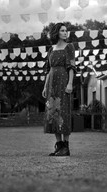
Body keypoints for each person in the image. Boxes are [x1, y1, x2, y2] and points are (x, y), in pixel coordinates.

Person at [42, 22, 76, 156]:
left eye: (66, 30)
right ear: (57, 32)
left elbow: (71, 67)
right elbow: (48, 70)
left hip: (63, 81)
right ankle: (59, 145)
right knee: (53, 113)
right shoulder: (51, 49)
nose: (65, 33)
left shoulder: (69, 47)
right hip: (51, 84)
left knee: (64, 112)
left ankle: (66, 147)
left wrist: (70, 83)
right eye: (62, 30)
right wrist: (45, 87)